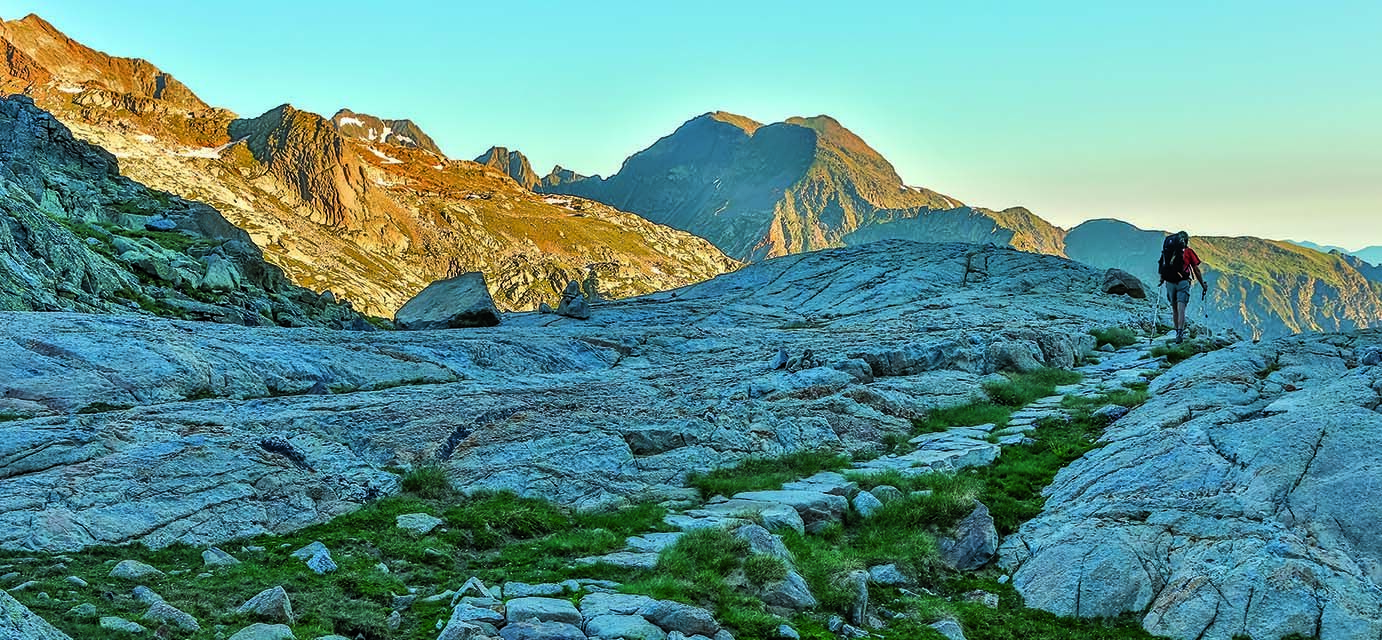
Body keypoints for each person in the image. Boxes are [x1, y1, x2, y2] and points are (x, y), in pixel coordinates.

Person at [1157, 231, 1207, 343]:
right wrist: (1202, 284)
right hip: (1183, 282)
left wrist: (1161, 279)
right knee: (1181, 309)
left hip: (1169, 282)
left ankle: (1176, 333)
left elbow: (1163, 265)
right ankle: (1180, 332)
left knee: (1174, 309)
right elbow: (1196, 270)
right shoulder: (1188, 252)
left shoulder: (1167, 251)